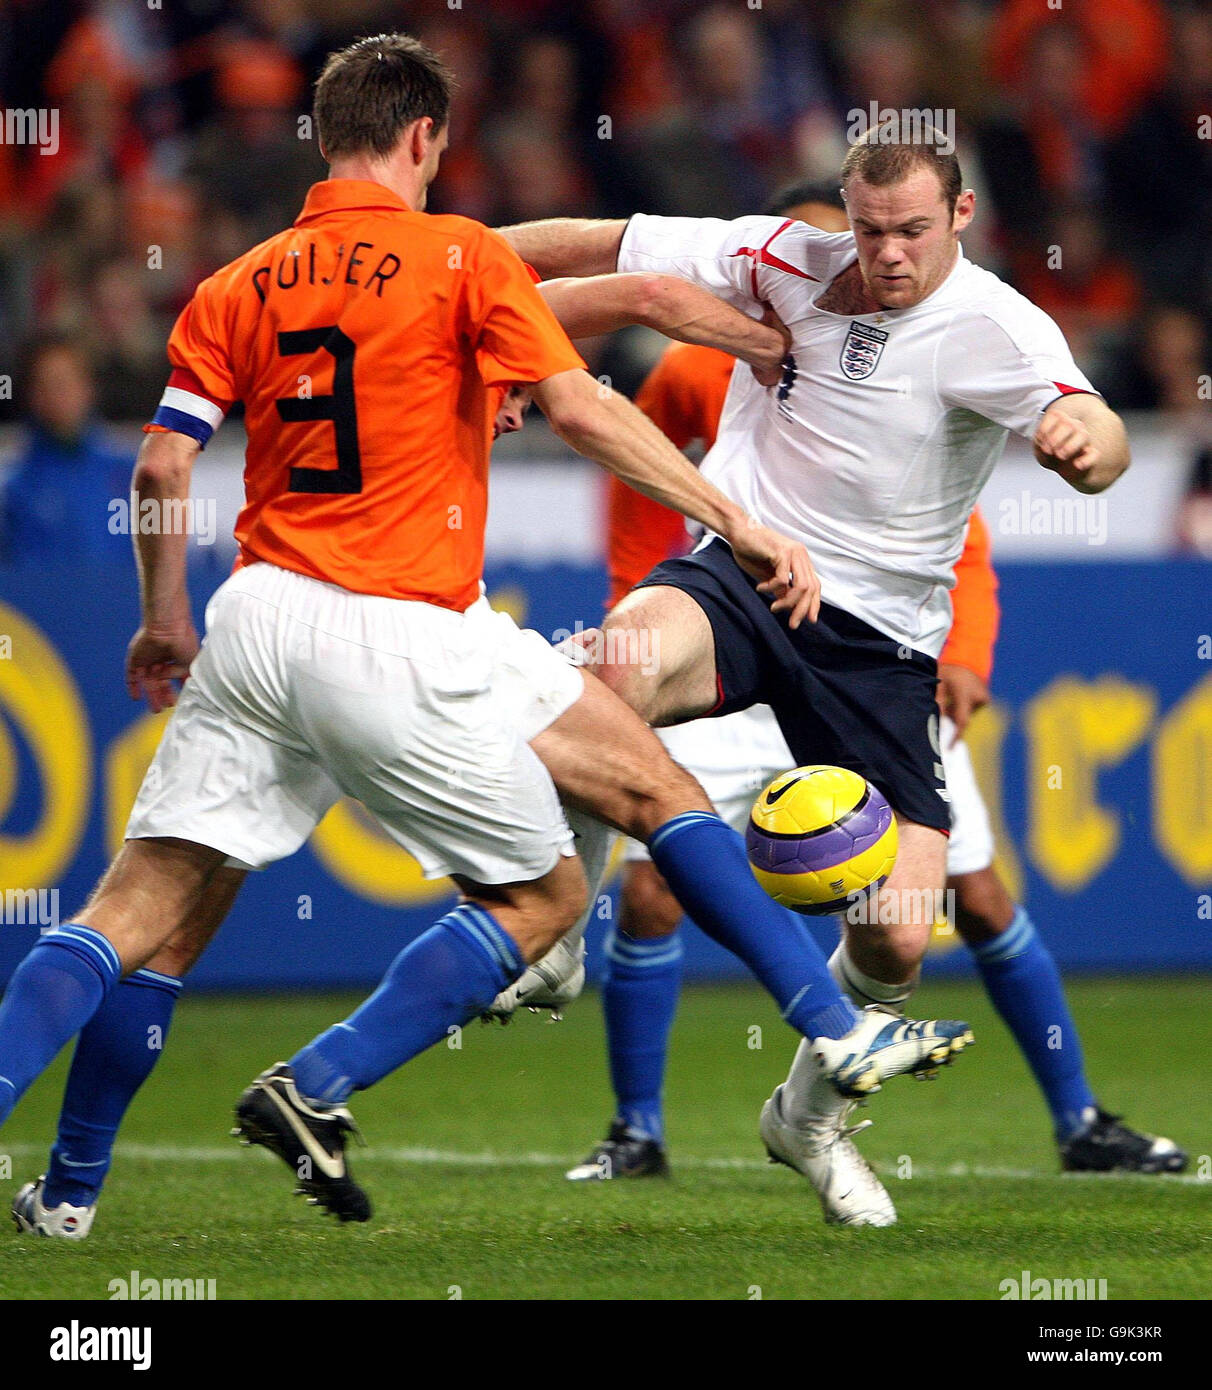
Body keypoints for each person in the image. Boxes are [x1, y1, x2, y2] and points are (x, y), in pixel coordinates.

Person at [4, 33, 970, 1238]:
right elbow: (584, 398)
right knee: (611, 828)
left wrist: (162, 614)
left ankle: (70, 1198)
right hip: (403, 622)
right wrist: (740, 521)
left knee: (134, 915)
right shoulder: (458, 255)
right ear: (426, 139)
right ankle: (830, 1028)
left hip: (252, 619)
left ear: (321, 137)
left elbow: (160, 460)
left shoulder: (237, 279)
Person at [495, 124, 1132, 1219]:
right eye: (871, 228)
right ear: (845, 210)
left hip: (881, 649)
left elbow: (1091, 421)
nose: (886, 255)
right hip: (750, 575)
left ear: (962, 219)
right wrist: (445, 250)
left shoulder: (997, 326)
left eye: (912, 232)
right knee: (613, 666)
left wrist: (1090, 447)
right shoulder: (788, 255)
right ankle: (551, 924)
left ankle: (807, 1121)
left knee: (896, 932)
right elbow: (601, 240)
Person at [0, 335, 133, 567]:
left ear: (87, 387)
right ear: (32, 396)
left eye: (64, 383)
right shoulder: (16, 488)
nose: (56, 396)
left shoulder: (131, 475)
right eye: (44, 385)